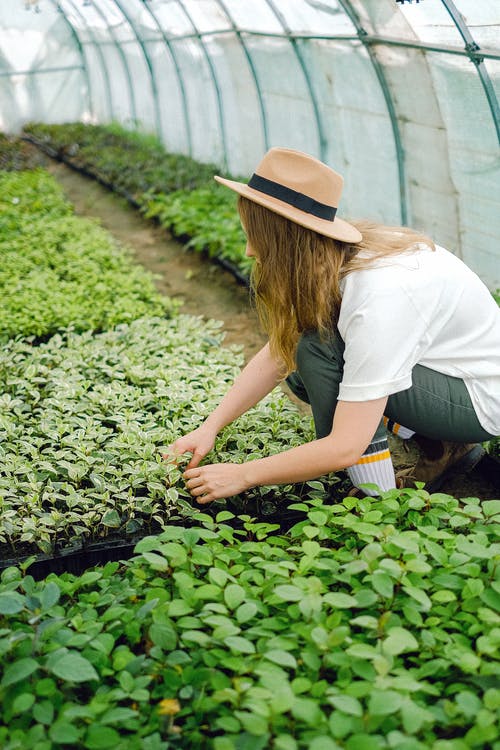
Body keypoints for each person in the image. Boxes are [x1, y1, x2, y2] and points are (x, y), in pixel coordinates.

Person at [165, 147, 500, 504]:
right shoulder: (335, 257)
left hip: (479, 400)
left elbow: (344, 447)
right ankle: (439, 446)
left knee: (317, 351)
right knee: (302, 360)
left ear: (285, 241)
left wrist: (242, 474)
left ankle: (378, 502)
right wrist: (209, 428)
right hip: (441, 374)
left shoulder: (379, 294)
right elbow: (278, 353)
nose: (249, 251)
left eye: (256, 237)